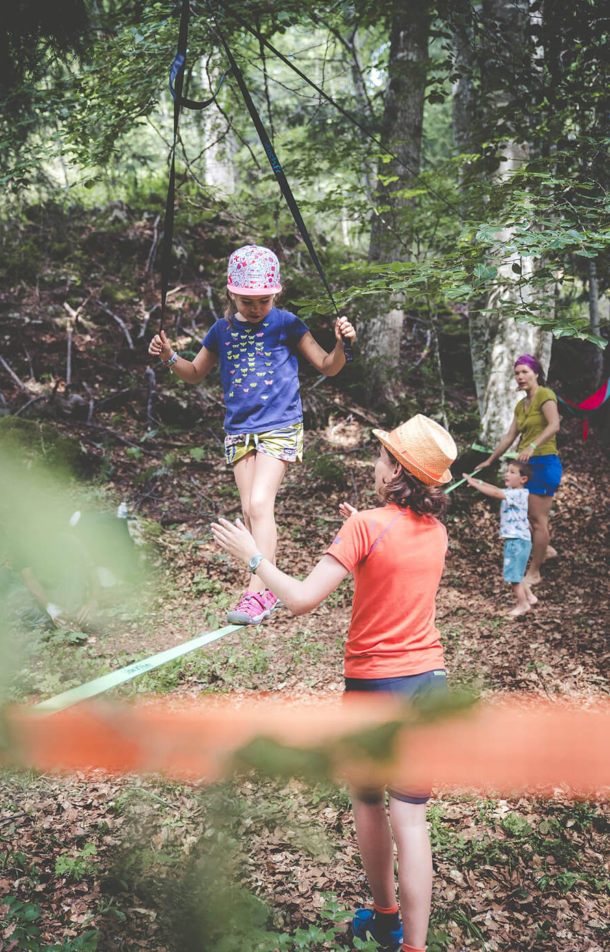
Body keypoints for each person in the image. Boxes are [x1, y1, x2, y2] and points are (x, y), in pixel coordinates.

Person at [212, 413, 457, 952]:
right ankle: (412, 946)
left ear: (395, 472)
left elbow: (300, 599)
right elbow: (394, 561)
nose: (375, 462)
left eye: (382, 456)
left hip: (376, 688)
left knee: (369, 800)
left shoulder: (366, 526)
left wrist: (252, 556)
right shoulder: (434, 531)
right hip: (428, 683)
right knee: (411, 822)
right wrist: (360, 526)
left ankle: (386, 918)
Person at [149, 244, 356, 625]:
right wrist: (168, 356)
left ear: (275, 293)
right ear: (231, 293)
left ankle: (258, 591)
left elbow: (328, 366)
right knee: (249, 510)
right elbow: (195, 373)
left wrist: (342, 343)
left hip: (280, 425)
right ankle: (267, 592)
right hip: (239, 430)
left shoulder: (287, 323)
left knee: (260, 506)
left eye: (263, 300)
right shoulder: (221, 330)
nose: (255, 307)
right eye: (247, 301)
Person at [474, 355, 561, 585]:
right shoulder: (521, 405)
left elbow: (554, 425)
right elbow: (510, 436)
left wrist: (533, 445)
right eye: (517, 373)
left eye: (524, 372)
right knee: (523, 514)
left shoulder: (545, 395)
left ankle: (534, 572)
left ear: (536, 373)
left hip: (544, 462)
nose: (520, 377)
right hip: (527, 465)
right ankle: (547, 549)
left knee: (536, 519)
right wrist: (491, 460)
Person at [463, 461, 537, 616]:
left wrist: (475, 485)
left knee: (513, 576)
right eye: (507, 471)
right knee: (518, 571)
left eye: (512, 472)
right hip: (521, 539)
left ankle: (523, 605)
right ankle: (529, 597)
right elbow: (496, 489)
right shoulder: (515, 492)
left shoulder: (517, 494)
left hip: (517, 540)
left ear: (523, 479)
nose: (507, 474)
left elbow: (496, 493)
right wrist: (477, 481)